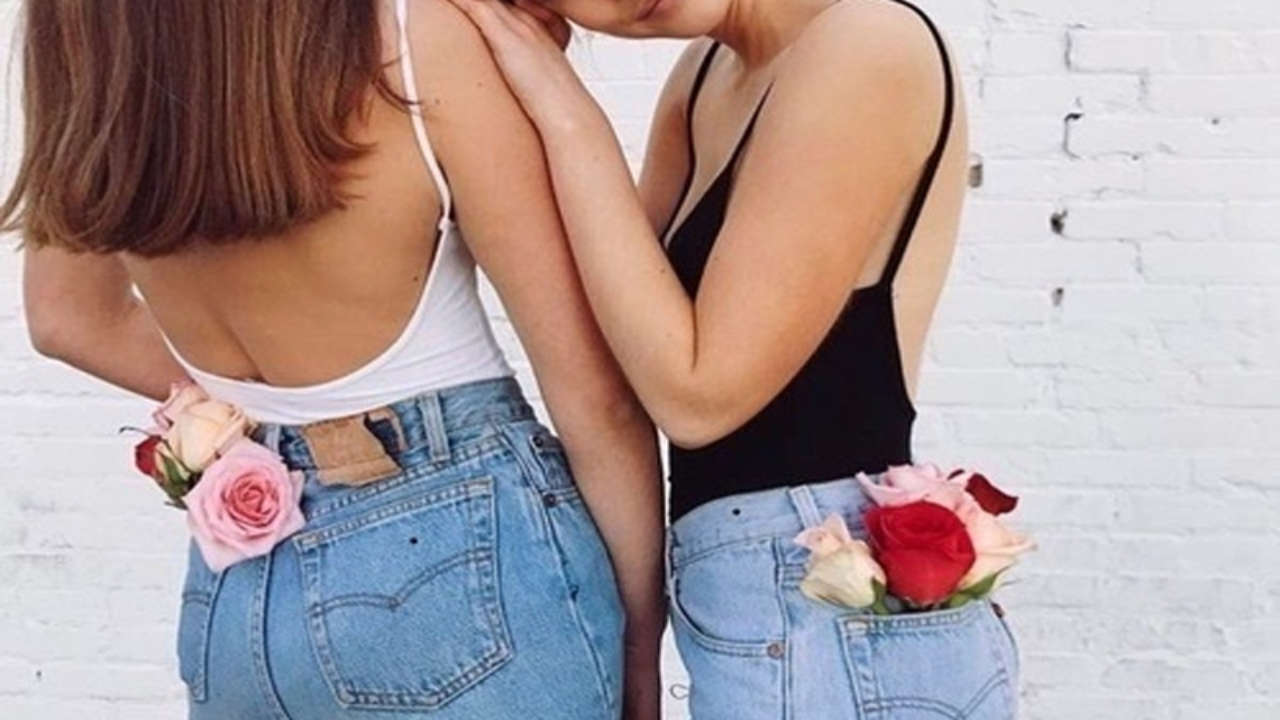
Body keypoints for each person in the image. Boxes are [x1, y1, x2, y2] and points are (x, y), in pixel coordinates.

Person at [6, 1, 663, 718]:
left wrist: (268, 412)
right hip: (461, 574)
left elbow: (71, 319)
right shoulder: (416, 38)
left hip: (240, 604)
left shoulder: (91, 40)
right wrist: (638, 645)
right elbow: (595, 402)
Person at [451, 0, 1020, 717]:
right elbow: (620, 349)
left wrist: (566, 110)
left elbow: (698, 399)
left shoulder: (867, 41)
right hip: (761, 606)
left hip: (835, 615)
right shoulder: (703, 77)